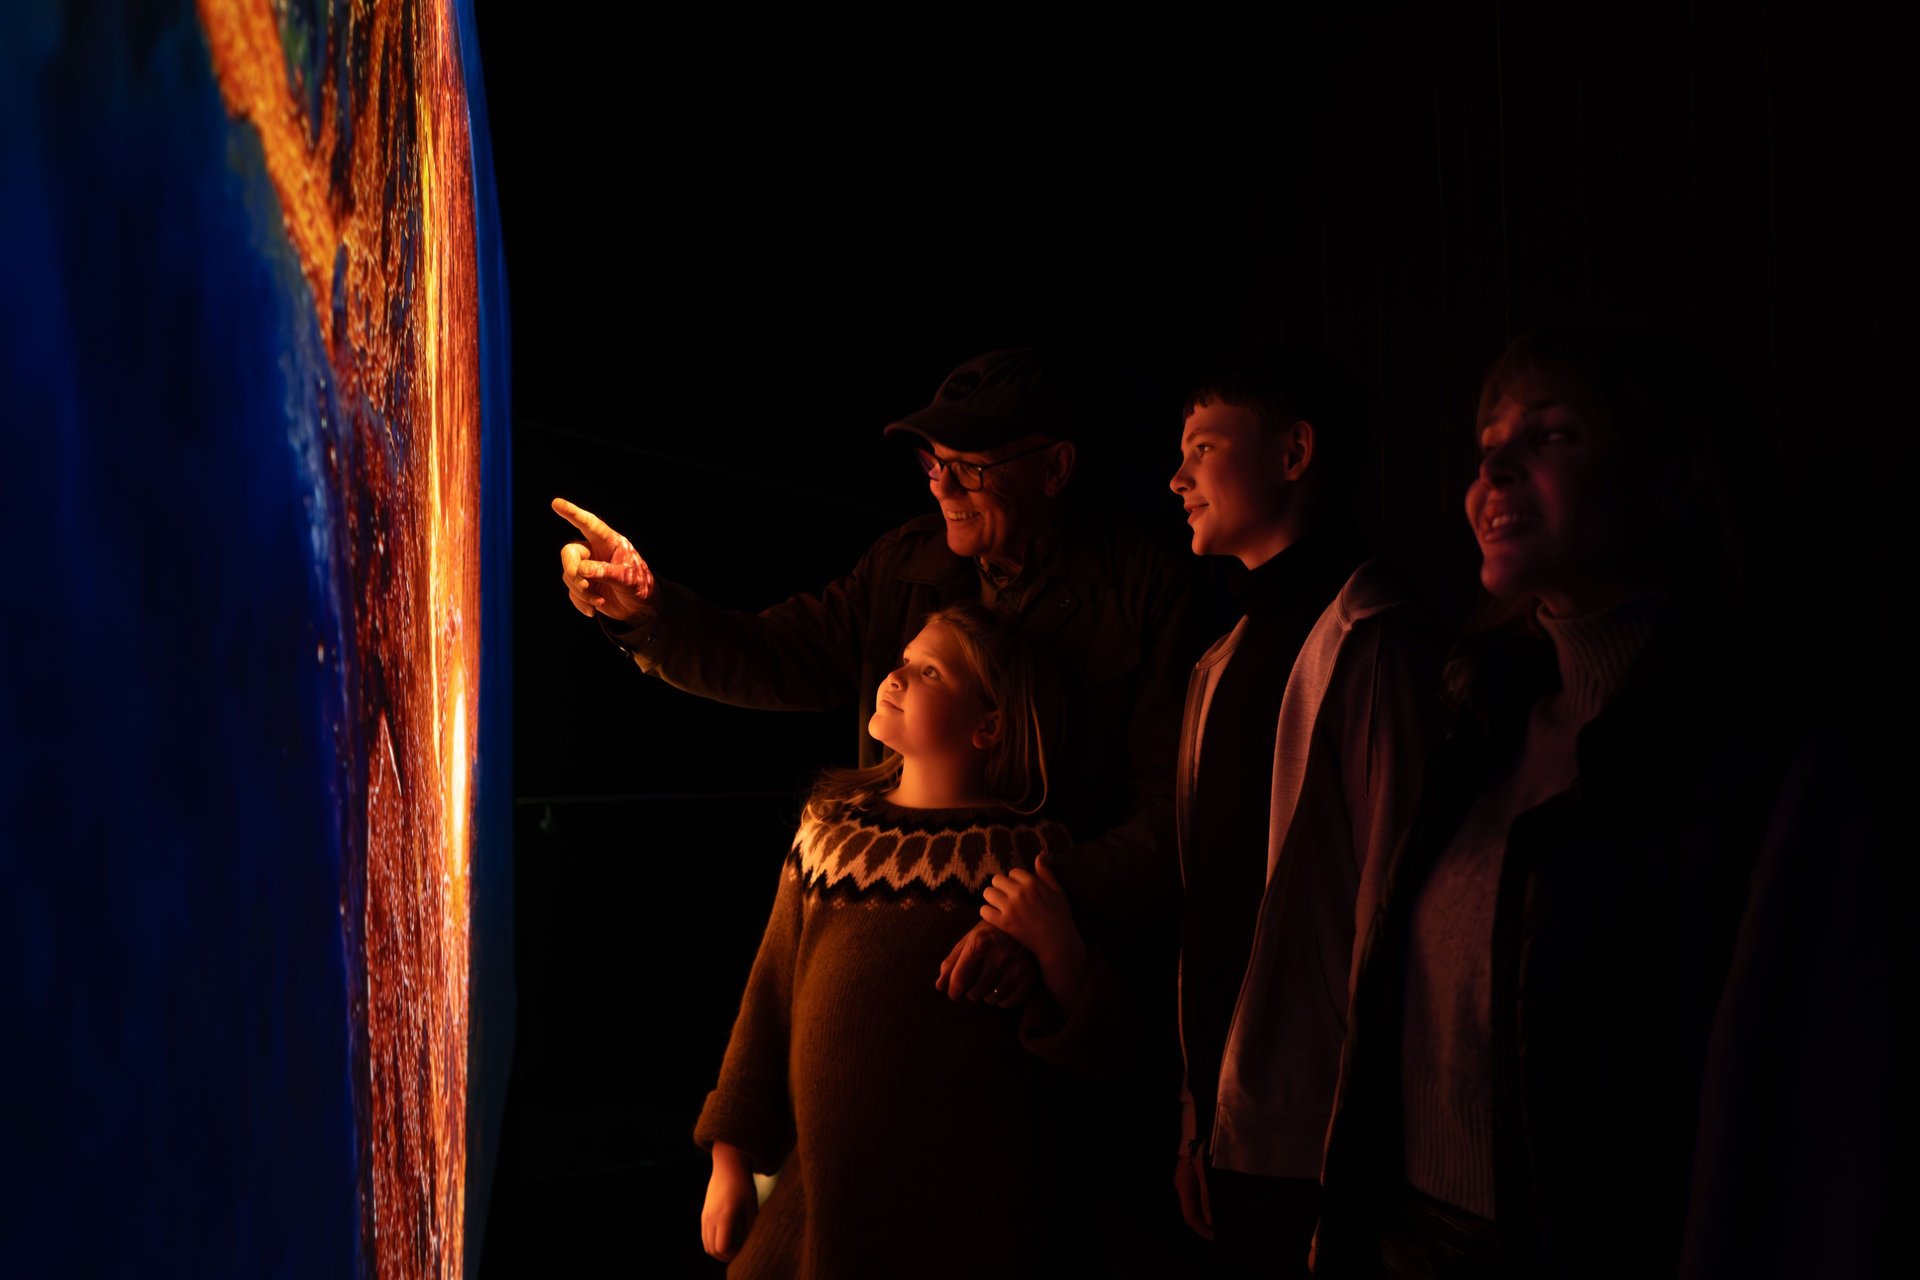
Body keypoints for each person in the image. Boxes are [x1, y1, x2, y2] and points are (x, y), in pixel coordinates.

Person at [1313, 325, 1895, 1278]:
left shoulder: (1757, 756)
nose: (1493, 469)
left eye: (1550, 436)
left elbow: (1793, 1110)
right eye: (1486, 444)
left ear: (1666, 478)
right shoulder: (1475, 729)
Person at [554, 347, 1198, 979]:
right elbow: (777, 654)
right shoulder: (905, 564)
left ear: (1055, 468)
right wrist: (647, 613)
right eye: (933, 461)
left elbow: (1170, 811)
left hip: (1058, 963)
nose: (941, 485)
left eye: (971, 466)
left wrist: (1037, 911)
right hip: (898, 933)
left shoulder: (1144, 592)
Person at [1164, 347, 1445, 1276]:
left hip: (1327, 1127)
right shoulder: (1220, 661)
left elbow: (1392, 905)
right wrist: (1199, 1113)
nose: (1178, 478)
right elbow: (1209, 909)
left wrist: (1363, 1145)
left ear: (1294, 453)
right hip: (1234, 1116)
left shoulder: (1370, 645)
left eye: (1204, 446)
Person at [696, 603, 1079, 1278]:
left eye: (929, 670)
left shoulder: (1025, 855)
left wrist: (1049, 951)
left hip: (955, 1222)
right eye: (902, 659)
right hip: (811, 1205)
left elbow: (1063, 1047)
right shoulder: (829, 831)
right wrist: (731, 1157)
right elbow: (771, 991)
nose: (897, 676)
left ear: (990, 724)